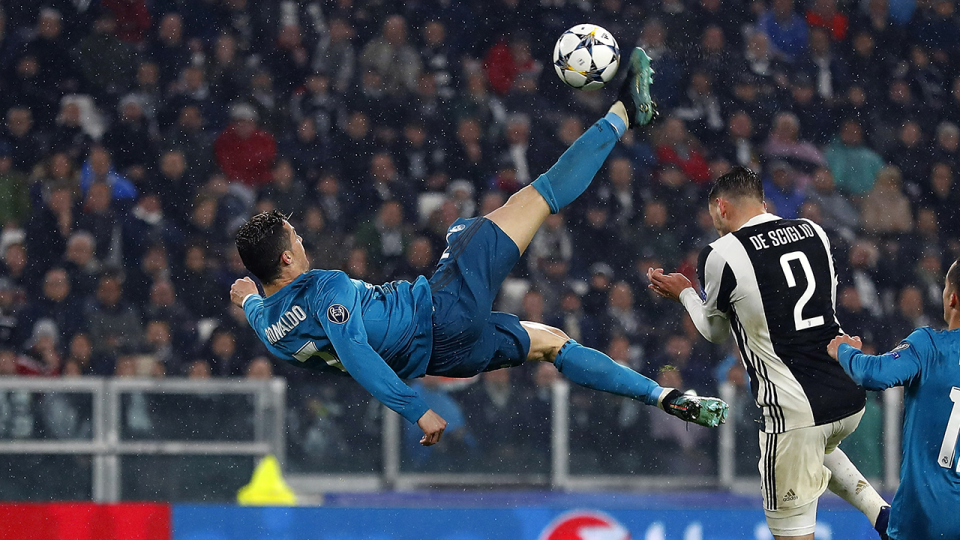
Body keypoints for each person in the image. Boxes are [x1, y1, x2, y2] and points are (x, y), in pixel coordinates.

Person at [230, 48, 728, 447]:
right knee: (537, 196)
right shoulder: (325, 288)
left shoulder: (269, 326)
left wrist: (247, 294)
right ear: (287, 260)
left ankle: (664, 396)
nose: (302, 238)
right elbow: (355, 350)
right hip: (441, 310)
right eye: (295, 238)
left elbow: (255, 302)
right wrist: (415, 410)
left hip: (447, 357)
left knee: (552, 341)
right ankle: (626, 111)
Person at [647, 166, 889, 540]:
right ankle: (884, 516)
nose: (715, 225)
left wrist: (684, 292)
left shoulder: (721, 253)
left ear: (722, 207)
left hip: (792, 412)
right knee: (819, 444)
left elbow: (713, 331)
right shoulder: (814, 231)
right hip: (846, 394)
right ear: (763, 203)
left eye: (715, 216)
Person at [828, 259, 960, 540]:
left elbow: (873, 374)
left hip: (924, 519)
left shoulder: (930, 345)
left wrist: (843, 351)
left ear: (952, 298)